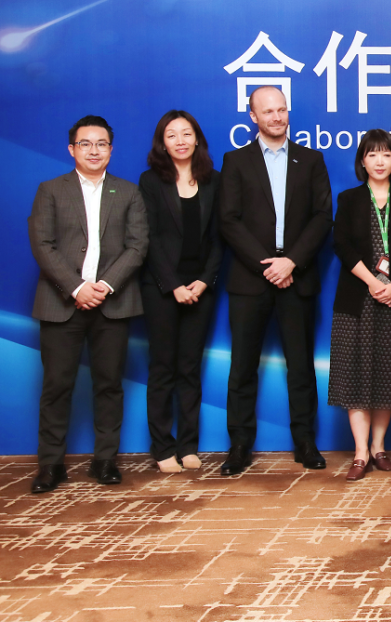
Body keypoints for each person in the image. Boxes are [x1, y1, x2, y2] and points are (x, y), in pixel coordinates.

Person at [28, 115, 147, 493]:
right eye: (85, 143)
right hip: (61, 302)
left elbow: (137, 246)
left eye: (101, 144)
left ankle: (104, 460)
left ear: (111, 149)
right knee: (56, 385)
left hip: (113, 303)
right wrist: (77, 287)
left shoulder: (128, 192)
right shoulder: (50, 190)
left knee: (109, 384)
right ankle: (50, 464)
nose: (94, 150)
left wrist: (105, 286)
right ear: (72, 149)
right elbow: (42, 244)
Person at [219, 86, 333, 476]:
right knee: (242, 367)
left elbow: (322, 216)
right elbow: (228, 220)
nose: (277, 117)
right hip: (251, 279)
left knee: (300, 366)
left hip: (296, 277)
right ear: (253, 116)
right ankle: (239, 446)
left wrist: (292, 262)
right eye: (268, 111)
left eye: (282, 109)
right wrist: (268, 266)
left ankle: (306, 442)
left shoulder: (311, 159)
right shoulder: (235, 161)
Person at [330, 130, 391, 481]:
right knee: (357, 376)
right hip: (357, 301)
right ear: (362, 161)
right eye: (372, 155)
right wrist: (372, 281)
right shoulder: (349, 198)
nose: (380, 161)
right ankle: (359, 453)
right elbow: (342, 245)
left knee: (387, 375)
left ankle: (378, 448)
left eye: (386, 154)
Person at [138, 111, 222, 474]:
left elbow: (219, 238)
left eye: (186, 133)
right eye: (171, 135)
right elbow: (150, 238)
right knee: (162, 367)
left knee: (190, 367)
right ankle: (162, 447)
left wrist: (204, 281)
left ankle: (188, 445)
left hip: (201, 287)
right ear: (162, 143)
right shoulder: (150, 181)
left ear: (197, 138)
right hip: (161, 288)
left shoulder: (214, 180)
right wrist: (173, 285)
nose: (180, 141)